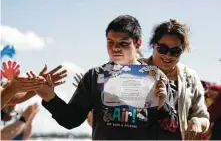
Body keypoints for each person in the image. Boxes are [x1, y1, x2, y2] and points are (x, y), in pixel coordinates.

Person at [35, 15, 177, 140]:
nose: (115, 48)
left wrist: (162, 106)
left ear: (138, 43)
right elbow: (71, 120)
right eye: (110, 42)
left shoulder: (155, 77)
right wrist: (50, 98)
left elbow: (172, 128)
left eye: (123, 43)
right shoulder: (94, 76)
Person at [139, 19, 210, 140]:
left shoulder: (190, 77)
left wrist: (197, 122)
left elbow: (204, 118)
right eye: (162, 49)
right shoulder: (136, 69)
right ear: (153, 45)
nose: (168, 55)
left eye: (175, 52)